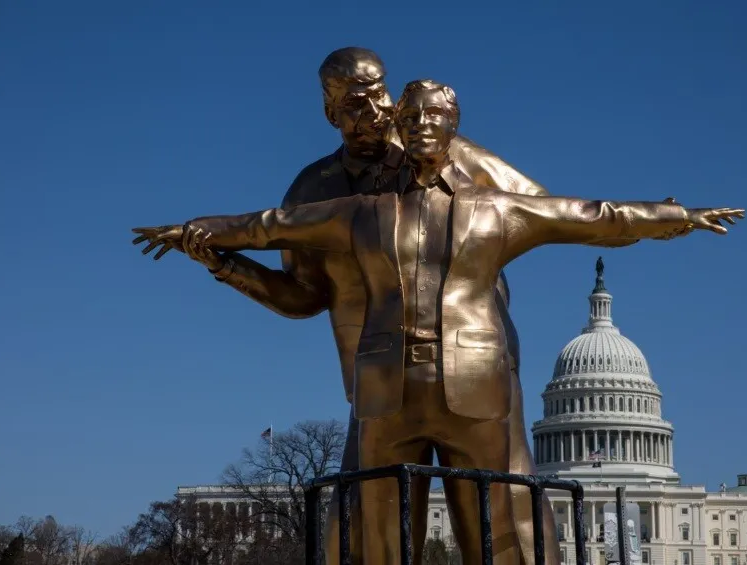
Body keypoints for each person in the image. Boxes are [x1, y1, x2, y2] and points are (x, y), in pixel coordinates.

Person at [133, 78, 744, 565]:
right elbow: (269, 226)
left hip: (476, 381)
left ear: (455, 129)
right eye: (414, 117)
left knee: (501, 528)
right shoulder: (359, 211)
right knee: (374, 529)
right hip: (385, 387)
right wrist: (197, 236)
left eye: (437, 117)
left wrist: (678, 215)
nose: (424, 126)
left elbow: (595, 216)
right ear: (399, 127)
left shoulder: (498, 209)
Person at [136, 47, 562, 565]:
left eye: (381, 95)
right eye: (357, 105)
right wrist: (227, 267)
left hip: (469, 362)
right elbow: (302, 298)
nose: (377, 114)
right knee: (359, 534)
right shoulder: (314, 190)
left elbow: (538, 211)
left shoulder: (441, 151)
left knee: (503, 518)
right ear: (330, 113)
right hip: (377, 378)